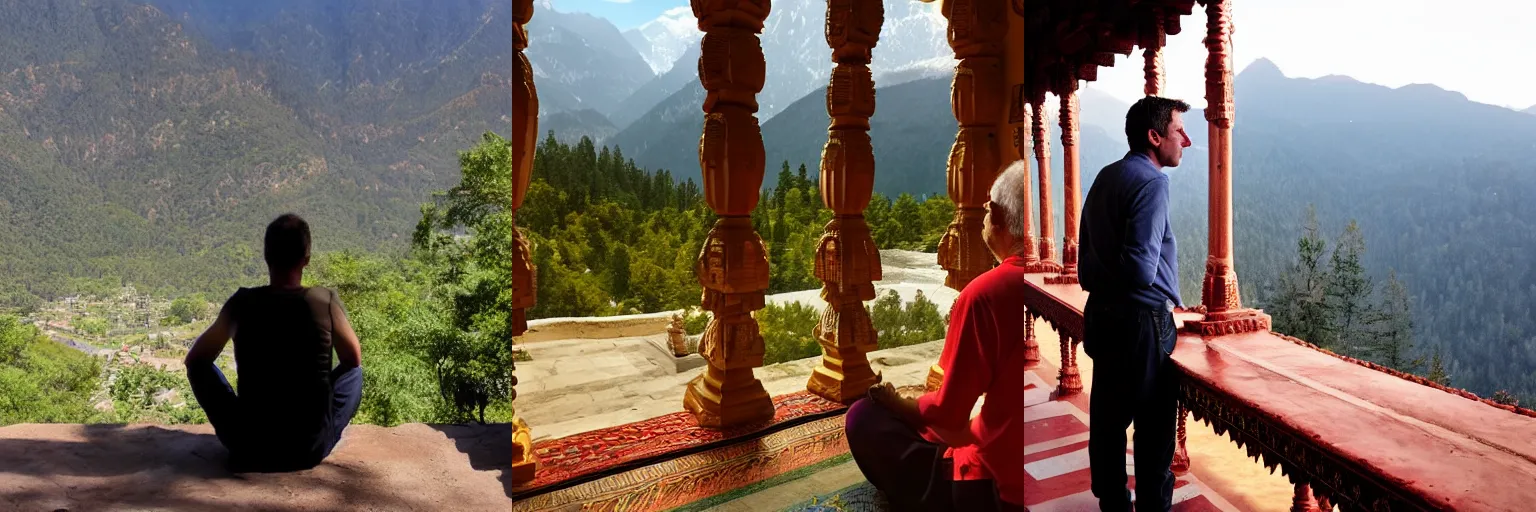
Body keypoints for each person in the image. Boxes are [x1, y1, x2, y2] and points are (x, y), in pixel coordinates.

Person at [844, 161, 1026, 512]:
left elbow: (947, 415)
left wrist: (898, 403)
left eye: (987, 207)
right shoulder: (1065, 278)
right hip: (1052, 470)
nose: (983, 213)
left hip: (996, 491)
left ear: (1000, 216)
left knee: (863, 416)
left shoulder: (986, 294)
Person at [1077, 96, 1193, 511]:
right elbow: (1142, 270)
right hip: (1141, 324)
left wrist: (1109, 291)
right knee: (1154, 435)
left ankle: (1113, 505)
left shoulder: (1107, 177)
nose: (1187, 140)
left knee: (1107, 428)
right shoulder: (1153, 182)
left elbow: (1085, 268)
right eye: (1179, 130)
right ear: (1154, 135)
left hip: (1102, 317)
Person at [184, 213, 364, 472]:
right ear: (307, 260)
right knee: (354, 373)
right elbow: (352, 360)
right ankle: (321, 430)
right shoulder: (324, 301)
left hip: (250, 445)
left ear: (266, 257)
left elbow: (195, 360)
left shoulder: (242, 303)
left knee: (199, 369)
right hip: (309, 448)